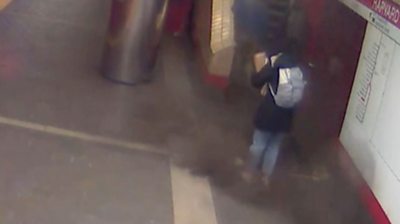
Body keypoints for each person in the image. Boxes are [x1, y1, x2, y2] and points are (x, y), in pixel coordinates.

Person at [243, 46, 305, 186]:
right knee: (273, 147)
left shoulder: (275, 67)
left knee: (258, 145)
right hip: (286, 118)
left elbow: (256, 81)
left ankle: (249, 173)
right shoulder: (298, 70)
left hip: (268, 114)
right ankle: (266, 177)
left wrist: (259, 69)